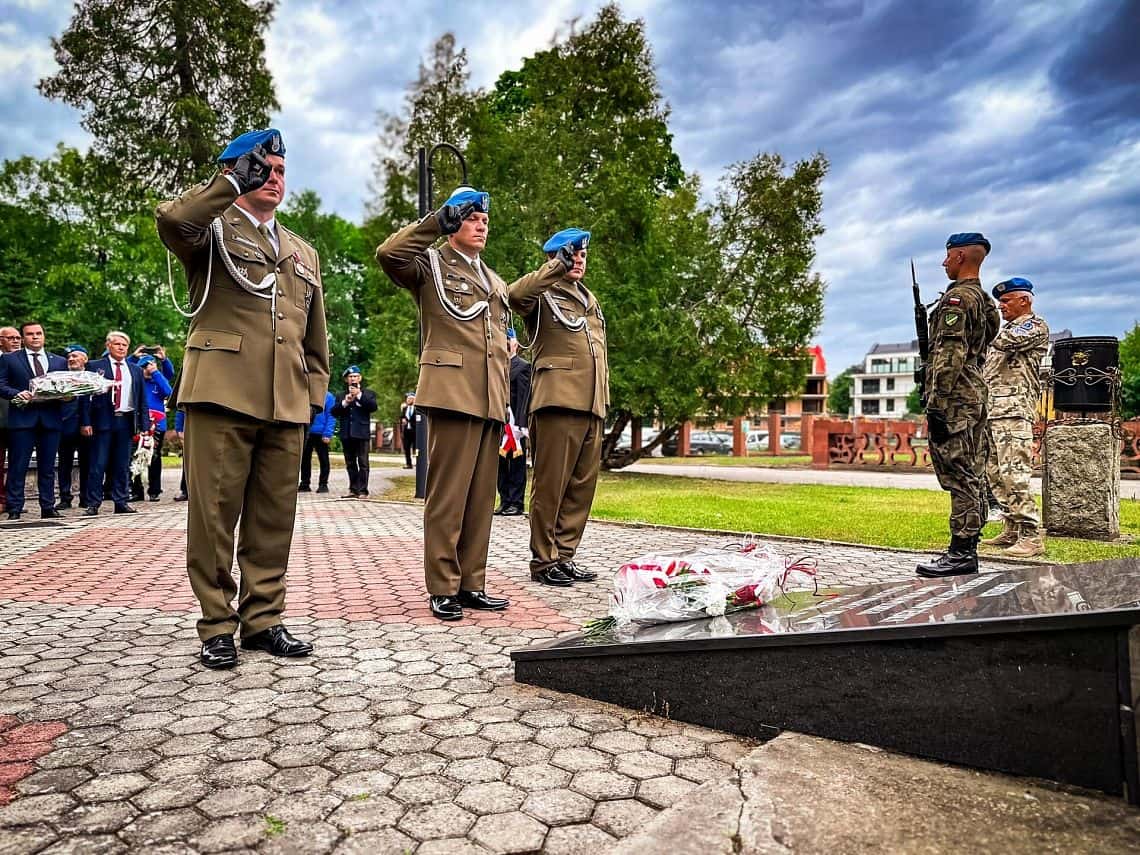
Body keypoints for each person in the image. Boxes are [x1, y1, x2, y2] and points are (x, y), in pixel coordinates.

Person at [156, 127, 330, 669]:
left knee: (274, 519)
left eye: (280, 171)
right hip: (222, 393)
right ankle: (216, 624)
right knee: (214, 517)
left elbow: (314, 336)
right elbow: (172, 221)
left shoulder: (302, 251)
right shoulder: (209, 228)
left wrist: (313, 395)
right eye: (262, 170)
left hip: (285, 400)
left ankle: (264, 620)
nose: (273, 179)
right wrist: (230, 184)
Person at [375, 186, 520, 621]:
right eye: (472, 218)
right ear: (456, 220)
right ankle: (442, 586)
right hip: (453, 392)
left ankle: (472, 582)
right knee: (448, 497)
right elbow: (389, 255)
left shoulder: (494, 280)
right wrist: (438, 222)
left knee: (479, 498)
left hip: (490, 397)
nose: (481, 226)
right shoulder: (432, 264)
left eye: (485, 220)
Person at [508, 228, 608, 586]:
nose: (578, 260)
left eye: (582, 255)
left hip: (591, 402)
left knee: (580, 488)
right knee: (551, 486)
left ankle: (564, 555)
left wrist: (602, 398)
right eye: (571, 254)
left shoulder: (589, 299)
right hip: (557, 400)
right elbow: (513, 296)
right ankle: (543, 559)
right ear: (555, 257)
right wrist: (554, 268)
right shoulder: (543, 293)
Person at [917, 233, 1001, 578]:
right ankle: (967, 546)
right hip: (973, 393)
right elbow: (988, 337)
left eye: (948, 256)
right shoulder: (984, 300)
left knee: (959, 473)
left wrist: (936, 404)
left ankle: (961, 553)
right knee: (973, 471)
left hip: (954, 399)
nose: (944, 262)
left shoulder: (957, 300)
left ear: (961, 256)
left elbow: (949, 355)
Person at [980, 278, 1050, 557]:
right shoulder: (1004, 330)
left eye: (1006, 301)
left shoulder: (1034, 326)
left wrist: (981, 321)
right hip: (993, 411)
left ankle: (1031, 535)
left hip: (1014, 411)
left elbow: (1006, 341)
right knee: (995, 473)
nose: (1001, 306)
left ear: (1025, 300)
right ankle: (1012, 527)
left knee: (1014, 473)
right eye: (1000, 302)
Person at [0, 322, 68, 520]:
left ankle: (48, 507)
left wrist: (68, 396)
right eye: (30, 334)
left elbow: (66, 387)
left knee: (48, 467)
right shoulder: (10, 359)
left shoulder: (59, 361)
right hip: (22, 420)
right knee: (18, 466)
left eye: (39, 333)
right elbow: (1, 384)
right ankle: (14, 508)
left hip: (51, 420)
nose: (35, 337)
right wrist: (16, 393)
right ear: (23, 338)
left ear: (44, 336)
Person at [82, 331, 149, 515]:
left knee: (122, 465)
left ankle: (121, 502)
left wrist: (144, 426)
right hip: (102, 421)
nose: (121, 348)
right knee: (98, 464)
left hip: (125, 421)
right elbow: (85, 396)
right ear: (108, 346)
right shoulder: (95, 366)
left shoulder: (135, 370)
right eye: (117, 344)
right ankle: (93, 503)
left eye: (124, 345)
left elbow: (142, 399)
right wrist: (85, 422)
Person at [495, 329, 530, 516]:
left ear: (515, 344)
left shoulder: (523, 367)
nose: (506, 344)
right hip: (499, 425)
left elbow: (524, 398)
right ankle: (504, 501)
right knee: (500, 465)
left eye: (508, 341)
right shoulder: (497, 366)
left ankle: (517, 503)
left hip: (515, 428)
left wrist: (522, 424)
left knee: (516, 465)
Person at [130, 354, 173, 502]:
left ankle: (154, 490)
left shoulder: (158, 380)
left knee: (154, 457)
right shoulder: (137, 382)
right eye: (144, 367)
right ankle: (136, 491)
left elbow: (169, 393)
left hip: (157, 425)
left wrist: (156, 372)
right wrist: (133, 357)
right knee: (135, 456)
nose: (147, 369)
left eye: (149, 366)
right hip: (138, 424)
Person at [331, 365, 377, 498]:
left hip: (361, 433)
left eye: (355, 376)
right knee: (350, 463)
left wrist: (359, 395)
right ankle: (353, 489)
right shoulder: (341, 395)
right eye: (350, 377)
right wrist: (345, 402)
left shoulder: (368, 393)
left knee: (363, 462)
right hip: (347, 433)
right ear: (346, 380)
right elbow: (334, 412)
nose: (353, 379)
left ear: (360, 378)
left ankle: (363, 490)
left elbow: (373, 407)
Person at [56, 344, 92, 510]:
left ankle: (85, 497)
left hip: (88, 427)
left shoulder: (92, 377)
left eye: (75, 356)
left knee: (87, 462)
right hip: (65, 425)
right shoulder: (61, 378)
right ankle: (65, 497)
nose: (71, 359)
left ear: (85, 359)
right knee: (64, 463)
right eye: (69, 357)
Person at [0, 325, 23, 513]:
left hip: (21, 420)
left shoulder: (25, 361)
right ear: (0, 341)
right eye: (10, 338)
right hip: (1, 419)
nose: (16, 341)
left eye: (18, 338)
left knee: (18, 462)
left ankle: (12, 500)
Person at [299, 389, 336, 493]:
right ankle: (305, 483)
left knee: (323, 459)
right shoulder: (305, 393)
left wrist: (327, 433)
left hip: (321, 433)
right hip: (306, 431)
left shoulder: (328, 396)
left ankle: (323, 484)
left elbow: (331, 416)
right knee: (305, 459)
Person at [400, 392, 417, 469]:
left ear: (413, 400)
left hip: (415, 432)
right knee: (406, 448)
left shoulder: (417, 409)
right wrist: (403, 420)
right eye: (407, 399)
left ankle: (418, 462)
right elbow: (401, 417)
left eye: (410, 399)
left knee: (416, 449)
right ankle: (408, 464)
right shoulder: (404, 409)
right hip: (406, 431)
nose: (408, 400)